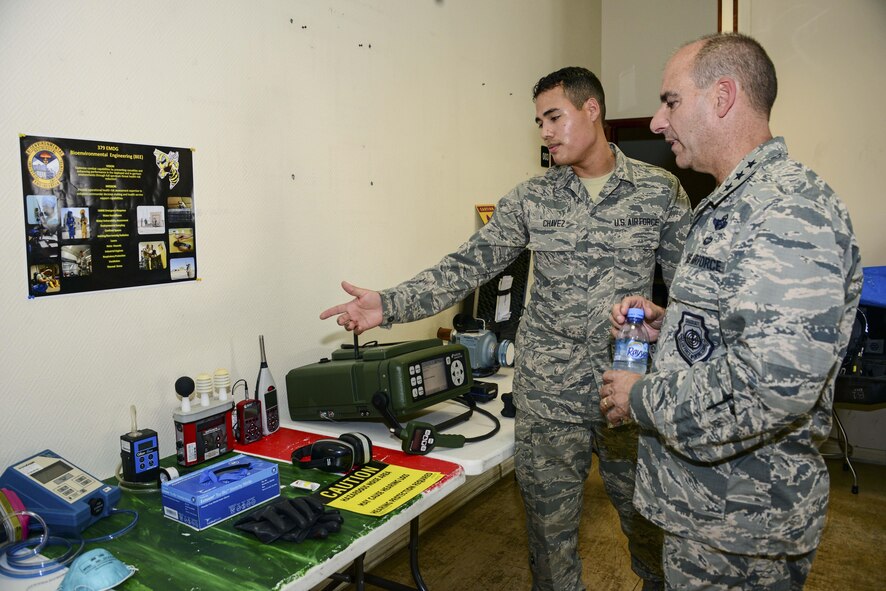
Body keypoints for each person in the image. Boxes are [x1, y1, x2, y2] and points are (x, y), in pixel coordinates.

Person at [320, 66, 691, 591]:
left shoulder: (659, 190)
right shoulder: (531, 199)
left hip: (626, 392)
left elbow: (691, 297)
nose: (545, 132)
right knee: (549, 544)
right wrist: (389, 304)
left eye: (554, 117)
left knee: (652, 535)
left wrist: (673, 366)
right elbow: (467, 265)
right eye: (539, 122)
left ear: (592, 110)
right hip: (548, 397)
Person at [600, 33, 862, 590]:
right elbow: (742, 331)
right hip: (707, 516)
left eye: (670, 101)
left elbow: (771, 385)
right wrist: (673, 326)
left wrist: (639, 396)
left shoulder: (785, 211)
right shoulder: (733, 202)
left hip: (742, 529)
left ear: (722, 97)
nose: (657, 121)